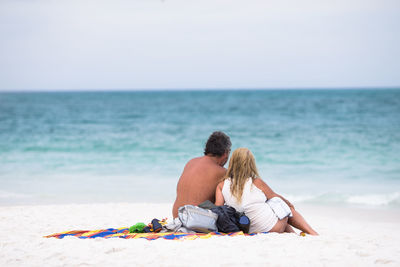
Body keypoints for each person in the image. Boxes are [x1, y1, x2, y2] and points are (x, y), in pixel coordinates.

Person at [215, 147, 318, 235]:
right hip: (271, 228)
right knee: (282, 205)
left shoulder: (221, 185)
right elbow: (275, 197)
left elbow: (218, 209)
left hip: (248, 229)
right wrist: (289, 203)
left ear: (232, 163)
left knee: (274, 210)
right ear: (251, 164)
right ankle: (312, 233)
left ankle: (294, 235)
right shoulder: (256, 182)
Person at [172, 131, 231, 218]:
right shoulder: (222, 172)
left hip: (177, 218)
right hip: (196, 222)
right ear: (226, 153)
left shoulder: (191, 162)